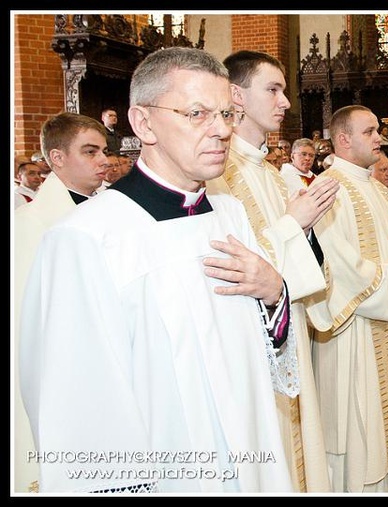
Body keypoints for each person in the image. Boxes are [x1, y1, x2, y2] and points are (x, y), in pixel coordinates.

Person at [19, 46, 296, 493]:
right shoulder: (86, 239)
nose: (222, 130)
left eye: (226, 113)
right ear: (143, 123)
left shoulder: (230, 215)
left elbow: (259, 362)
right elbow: (81, 411)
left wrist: (274, 293)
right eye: (197, 113)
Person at [207, 49, 339, 492]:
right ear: (236, 95)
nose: (285, 102)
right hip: (253, 338)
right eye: (274, 89)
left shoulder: (265, 170)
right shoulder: (220, 173)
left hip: (288, 327)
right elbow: (234, 265)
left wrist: (307, 231)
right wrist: (294, 222)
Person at [308, 105, 388, 492]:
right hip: (351, 333)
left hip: (387, 325)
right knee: (359, 432)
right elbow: (336, 268)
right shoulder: (327, 188)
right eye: (370, 131)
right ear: (343, 139)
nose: (380, 138)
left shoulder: (378, 189)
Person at [13, 112, 110, 493]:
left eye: (104, 150)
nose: (104, 159)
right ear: (56, 158)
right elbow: (24, 326)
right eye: (90, 151)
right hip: (61, 372)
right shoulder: (30, 223)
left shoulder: (110, 211)